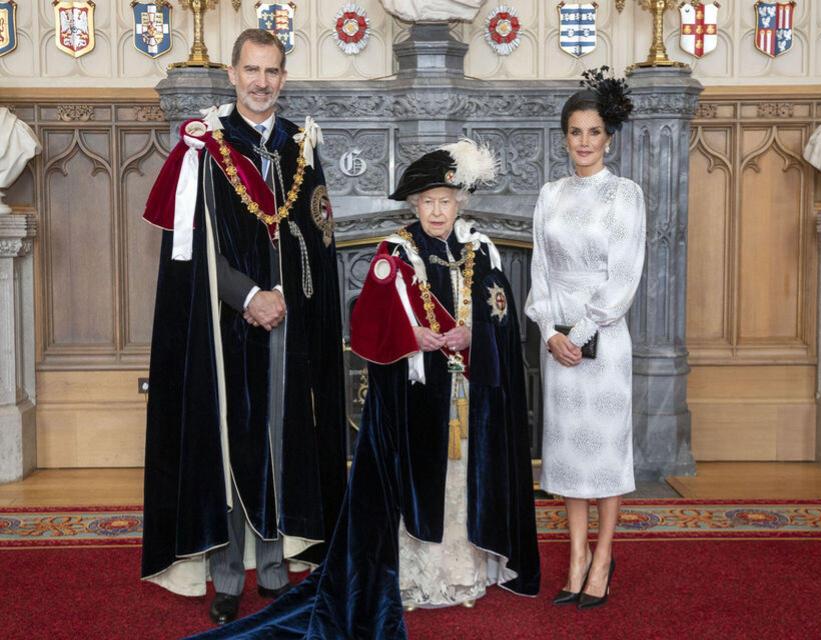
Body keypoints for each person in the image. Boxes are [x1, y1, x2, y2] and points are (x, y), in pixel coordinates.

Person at [190, 139, 540, 639]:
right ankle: (417, 580)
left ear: (459, 202)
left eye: (446, 201)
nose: (437, 211)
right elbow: (368, 325)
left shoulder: (479, 250)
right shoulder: (393, 252)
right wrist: (411, 336)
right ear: (414, 205)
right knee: (418, 485)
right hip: (413, 399)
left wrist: (475, 333)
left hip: (467, 395)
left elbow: (501, 314)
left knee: (461, 484)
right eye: (427, 202)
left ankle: (462, 575)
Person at [140, 28, 347, 626]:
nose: (262, 83)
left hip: (291, 323)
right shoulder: (204, 150)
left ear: (284, 77)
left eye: (272, 71)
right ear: (232, 74)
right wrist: (251, 295)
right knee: (233, 444)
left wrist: (289, 298)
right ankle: (229, 575)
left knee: (284, 440)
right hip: (224, 326)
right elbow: (193, 250)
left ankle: (278, 568)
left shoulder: (299, 147)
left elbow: (316, 238)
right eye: (251, 70)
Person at [525, 67, 644, 610]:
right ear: (565, 136)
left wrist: (583, 330)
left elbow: (625, 274)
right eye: (576, 131)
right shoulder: (549, 194)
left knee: (606, 455)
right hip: (560, 346)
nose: (585, 142)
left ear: (608, 138)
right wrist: (550, 332)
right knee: (568, 457)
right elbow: (541, 273)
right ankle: (574, 558)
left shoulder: (625, 194)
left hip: (604, 339)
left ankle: (603, 557)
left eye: (594, 132)